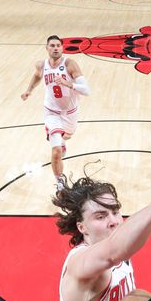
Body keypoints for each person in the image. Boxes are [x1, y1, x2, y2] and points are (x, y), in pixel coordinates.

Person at [20, 35, 90, 192]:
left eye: (58, 45)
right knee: (56, 150)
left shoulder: (70, 64)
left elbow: (87, 90)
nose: (55, 48)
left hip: (71, 112)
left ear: (62, 48)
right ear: (47, 48)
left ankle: (63, 140)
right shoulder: (41, 65)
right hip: (51, 112)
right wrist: (29, 91)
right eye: (52, 45)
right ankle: (60, 183)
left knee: (67, 136)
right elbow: (38, 76)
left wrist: (69, 84)